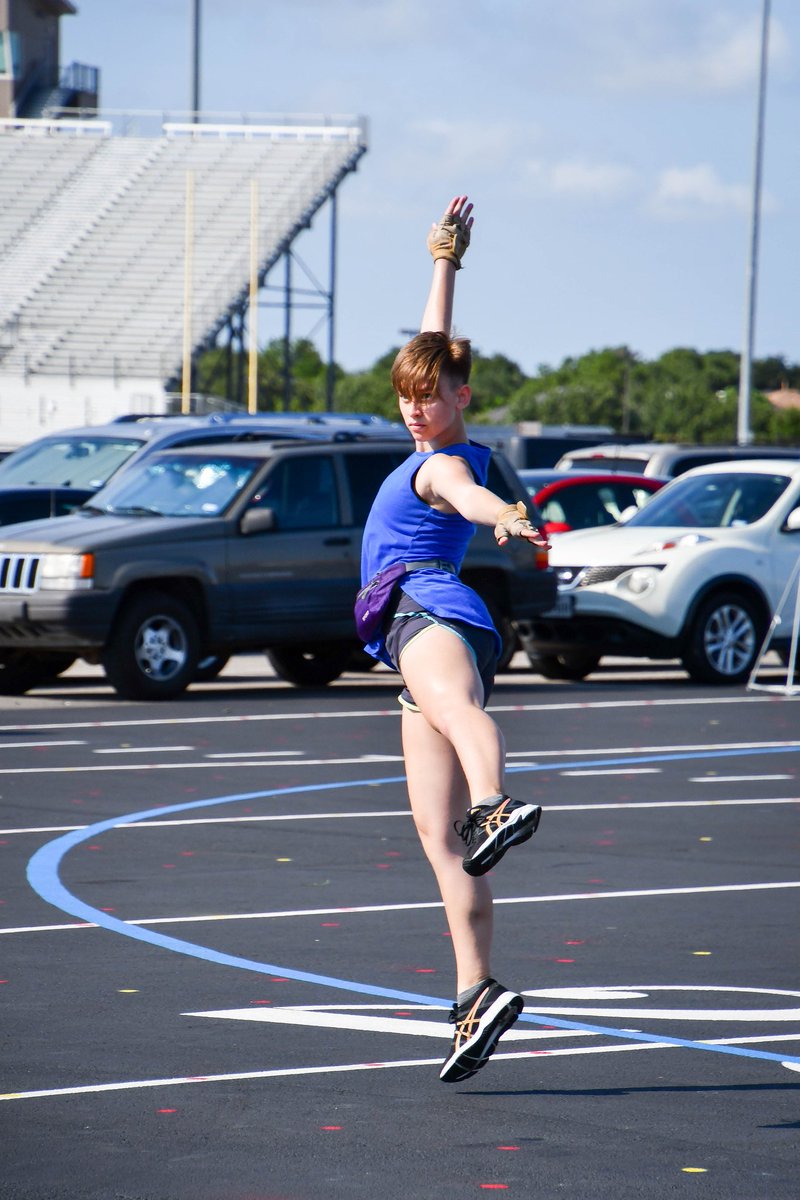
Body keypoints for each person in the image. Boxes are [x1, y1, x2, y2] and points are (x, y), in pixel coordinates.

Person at [358, 196, 549, 1084]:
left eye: (427, 400)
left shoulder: (447, 462)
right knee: (438, 836)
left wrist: (505, 514)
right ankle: (477, 992)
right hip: (410, 628)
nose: (413, 411)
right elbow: (434, 350)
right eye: (407, 398)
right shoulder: (432, 407)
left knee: (455, 711)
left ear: (461, 402)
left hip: (426, 613)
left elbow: (467, 497)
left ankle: (500, 803)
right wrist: (445, 260)